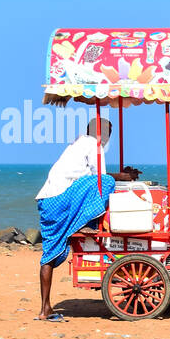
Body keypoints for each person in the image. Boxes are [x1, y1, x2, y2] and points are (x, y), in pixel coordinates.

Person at [35, 118, 140, 321]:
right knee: (107, 182)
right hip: (59, 199)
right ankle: (86, 223)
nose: (109, 137)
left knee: (48, 255)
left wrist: (121, 175)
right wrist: (123, 177)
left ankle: (45, 308)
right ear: (98, 132)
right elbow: (100, 177)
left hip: (47, 201)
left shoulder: (79, 142)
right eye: (108, 132)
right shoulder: (93, 144)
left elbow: (89, 176)